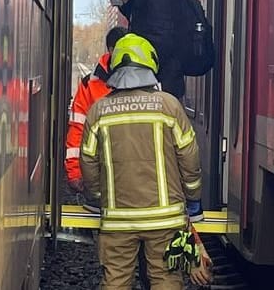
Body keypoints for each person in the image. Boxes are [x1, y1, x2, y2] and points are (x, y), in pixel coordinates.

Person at [80, 34, 207, 289]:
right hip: (166, 220)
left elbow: (88, 163)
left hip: (118, 219)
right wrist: (193, 195)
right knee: (166, 279)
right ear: (151, 64)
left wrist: (99, 196)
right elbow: (189, 156)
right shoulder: (169, 106)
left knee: (115, 279)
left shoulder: (99, 111)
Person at [113, 0, 187, 99]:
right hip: (157, 81)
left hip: (160, 84)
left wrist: (139, 66)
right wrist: (125, 6)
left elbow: (159, 38)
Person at [64, 26, 127, 192]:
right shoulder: (89, 85)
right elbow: (77, 130)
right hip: (101, 175)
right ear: (111, 50)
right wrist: (75, 173)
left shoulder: (147, 82)